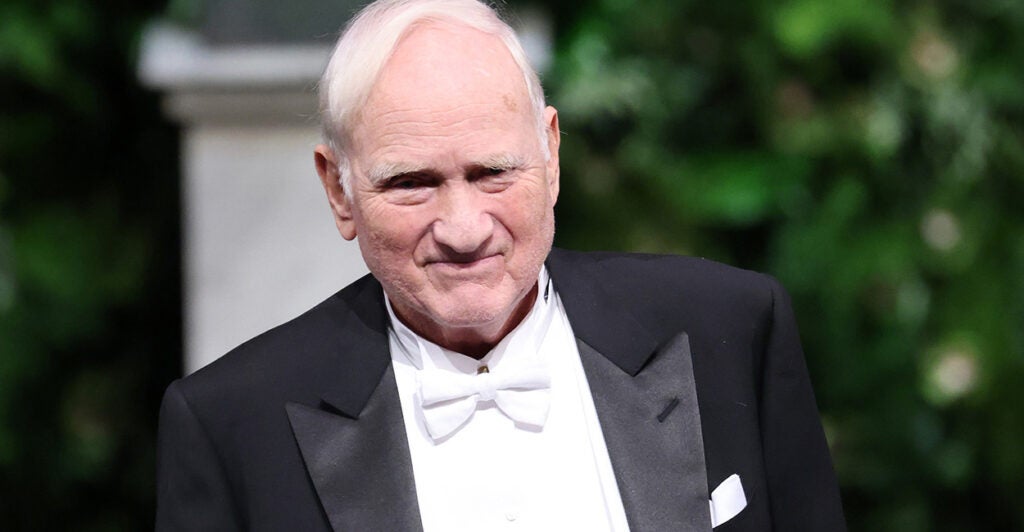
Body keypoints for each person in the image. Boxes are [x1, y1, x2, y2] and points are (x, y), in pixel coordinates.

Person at [155, 0, 846, 530]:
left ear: (550, 156)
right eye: (411, 183)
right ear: (339, 190)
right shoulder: (231, 428)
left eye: (492, 172)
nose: (463, 228)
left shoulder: (730, 331)